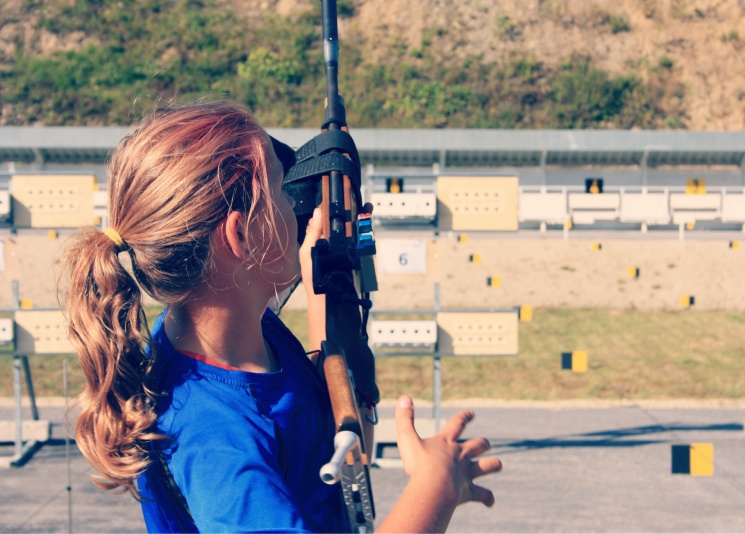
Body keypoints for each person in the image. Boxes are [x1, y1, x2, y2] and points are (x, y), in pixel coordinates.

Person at [58, 100, 501, 533]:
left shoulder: (242, 334)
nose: (296, 206)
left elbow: (337, 470)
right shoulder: (215, 441)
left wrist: (329, 290)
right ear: (240, 235)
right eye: (281, 191)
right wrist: (435, 486)